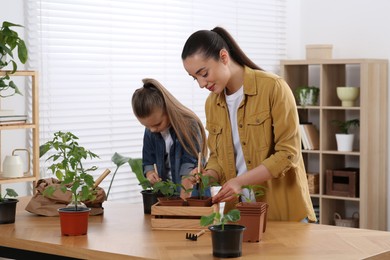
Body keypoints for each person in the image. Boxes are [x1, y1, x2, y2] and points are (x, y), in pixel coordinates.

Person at [181, 27, 316, 222]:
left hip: (282, 214)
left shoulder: (273, 88)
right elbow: (218, 158)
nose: (202, 84)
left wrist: (240, 182)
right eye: (195, 78)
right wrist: (205, 175)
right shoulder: (212, 103)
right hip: (238, 215)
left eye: (204, 73)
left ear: (224, 57)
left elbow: (288, 154)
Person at [131, 78, 207, 200]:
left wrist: (183, 205)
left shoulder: (188, 125)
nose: (152, 130)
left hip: (192, 196)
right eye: (146, 126)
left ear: (168, 109)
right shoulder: (150, 130)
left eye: (157, 124)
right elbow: (148, 161)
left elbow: (189, 169)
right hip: (168, 197)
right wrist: (150, 173)